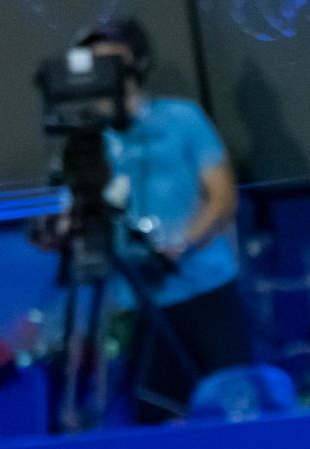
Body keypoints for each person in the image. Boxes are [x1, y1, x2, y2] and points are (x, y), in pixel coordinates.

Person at [74, 19, 254, 423]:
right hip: (140, 302)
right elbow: (76, 210)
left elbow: (223, 196)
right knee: (156, 416)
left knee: (233, 404)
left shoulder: (183, 120)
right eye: (93, 61)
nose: (103, 69)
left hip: (206, 289)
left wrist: (184, 241)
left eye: (112, 58)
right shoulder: (88, 143)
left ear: (137, 61)